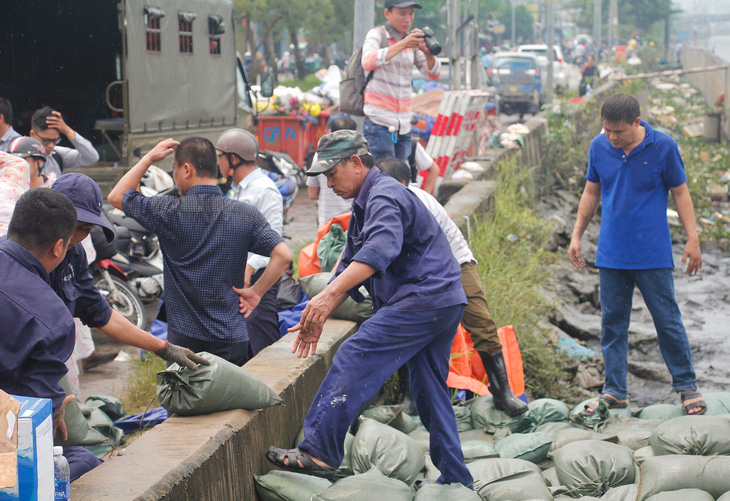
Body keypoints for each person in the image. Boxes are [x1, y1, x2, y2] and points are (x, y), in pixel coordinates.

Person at [265, 130, 473, 487]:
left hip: (423, 299)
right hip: (443, 301)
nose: (328, 184)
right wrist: (321, 308)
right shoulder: (365, 203)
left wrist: (327, 298)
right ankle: (456, 478)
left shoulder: (384, 195)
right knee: (429, 391)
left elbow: (379, 251)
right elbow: (349, 264)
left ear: (356, 163)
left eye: (332, 174)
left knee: (355, 354)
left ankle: (320, 451)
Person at [569, 93, 706, 416]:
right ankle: (615, 390)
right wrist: (577, 235)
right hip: (611, 253)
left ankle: (687, 387)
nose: (612, 137)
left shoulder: (664, 147)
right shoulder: (599, 147)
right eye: (607, 131)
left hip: (652, 253)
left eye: (619, 131)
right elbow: (591, 191)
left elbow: (680, 192)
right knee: (612, 324)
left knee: (667, 321)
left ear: (637, 122)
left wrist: (693, 238)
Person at [108, 137, 291, 366]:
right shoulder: (244, 214)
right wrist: (256, 292)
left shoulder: (168, 211)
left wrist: (149, 158)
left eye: (174, 169)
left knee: (187, 400)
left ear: (186, 169)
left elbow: (116, 196)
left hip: (183, 342)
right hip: (231, 338)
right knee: (229, 401)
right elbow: (283, 255)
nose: (174, 176)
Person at [379, 157, 527, 416]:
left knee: (480, 323)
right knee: (410, 327)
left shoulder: (419, 202)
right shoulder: (380, 204)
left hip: (455, 263)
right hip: (420, 271)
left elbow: (423, 251)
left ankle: (502, 391)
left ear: (405, 183)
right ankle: (410, 396)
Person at [49, 173, 209, 372]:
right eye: (69, 223)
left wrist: (163, 347)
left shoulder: (75, 255)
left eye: (84, 228)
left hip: (50, 362)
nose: (73, 235)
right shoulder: (18, 257)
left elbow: (101, 314)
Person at [0, 188, 99, 481]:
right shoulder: (53, 319)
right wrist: (57, 405)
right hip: (7, 451)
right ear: (59, 247)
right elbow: (32, 411)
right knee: (85, 461)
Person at [215, 128, 284, 356]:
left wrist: (250, 265)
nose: (218, 162)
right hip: (240, 278)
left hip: (259, 280)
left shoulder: (264, 190)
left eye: (220, 156)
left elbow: (275, 242)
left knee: (260, 341)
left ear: (233, 159)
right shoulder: (236, 189)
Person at [361, 0, 440, 162]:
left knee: (401, 176)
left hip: (403, 123)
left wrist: (428, 54)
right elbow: (368, 61)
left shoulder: (412, 41)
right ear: (387, 13)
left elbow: (433, 73)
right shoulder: (377, 34)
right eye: (402, 13)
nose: (408, 19)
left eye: (411, 14)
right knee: (384, 177)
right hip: (379, 121)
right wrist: (404, 43)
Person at [306, 115, 356, 227]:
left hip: (327, 226)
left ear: (330, 132)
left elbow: (312, 194)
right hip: (354, 226)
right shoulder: (361, 158)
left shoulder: (319, 157)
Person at [29, 106, 99, 179]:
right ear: (32, 134)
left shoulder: (57, 155)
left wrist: (67, 130)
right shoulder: (20, 157)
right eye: (46, 140)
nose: (50, 145)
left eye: (55, 140)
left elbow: (92, 157)